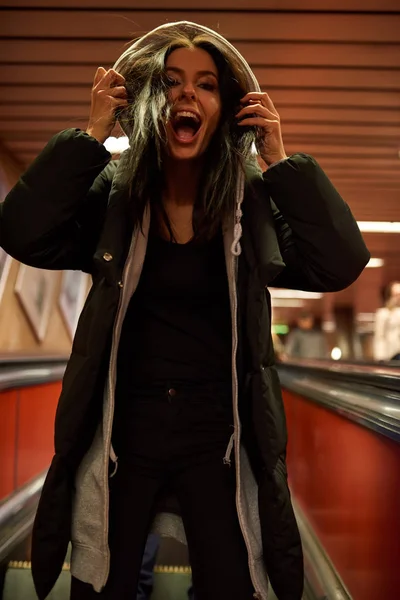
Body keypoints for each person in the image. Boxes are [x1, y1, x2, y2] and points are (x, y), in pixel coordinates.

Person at [0, 21, 370, 600]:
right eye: (172, 82)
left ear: (226, 108)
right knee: (104, 586)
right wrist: (91, 134)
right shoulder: (116, 199)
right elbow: (23, 232)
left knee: (234, 585)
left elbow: (340, 263)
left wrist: (281, 163)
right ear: (154, 101)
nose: (187, 95)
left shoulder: (250, 210)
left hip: (217, 445)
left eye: (206, 84)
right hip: (125, 442)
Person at [373, 281, 400, 361]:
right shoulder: (383, 313)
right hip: (392, 353)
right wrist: (380, 357)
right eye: (396, 295)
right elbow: (379, 336)